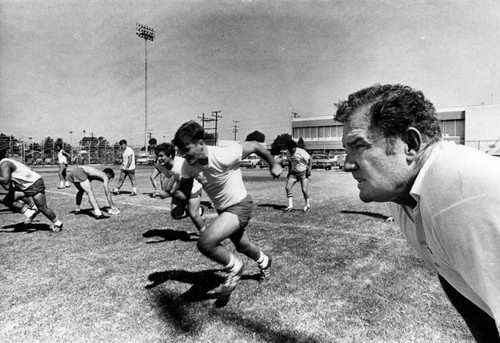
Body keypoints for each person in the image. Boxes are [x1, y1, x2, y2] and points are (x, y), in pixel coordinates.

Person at [335, 84, 500, 342]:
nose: (347, 163)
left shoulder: (458, 193)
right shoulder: (403, 194)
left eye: (359, 145)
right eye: (347, 149)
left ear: (410, 145)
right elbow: (447, 269)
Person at [173, 121, 282, 296]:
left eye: (186, 149)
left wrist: (273, 164)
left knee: (205, 242)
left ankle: (235, 268)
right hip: (224, 211)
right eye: (181, 151)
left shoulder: (223, 155)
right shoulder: (189, 165)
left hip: (240, 206)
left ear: (201, 143)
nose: (184, 155)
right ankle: (265, 262)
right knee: (243, 246)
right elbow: (184, 191)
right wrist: (175, 201)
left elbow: (254, 145)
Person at [0, 149, 63, 232]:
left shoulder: (4, 164)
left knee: (42, 207)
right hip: (25, 186)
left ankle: (58, 223)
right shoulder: (5, 162)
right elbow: (7, 186)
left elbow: (5, 180)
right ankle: (29, 213)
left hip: (34, 183)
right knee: (6, 200)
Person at [153, 142, 205, 234]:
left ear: (170, 155)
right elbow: (170, 176)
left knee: (194, 214)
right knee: (176, 214)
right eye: (157, 156)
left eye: (161, 156)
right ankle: (198, 210)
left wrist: (167, 193)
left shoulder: (180, 166)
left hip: (193, 186)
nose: (158, 158)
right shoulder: (159, 164)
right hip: (182, 185)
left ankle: (205, 234)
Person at [283, 139, 312, 212]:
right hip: (294, 173)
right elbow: (290, 162)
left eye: (291, 149)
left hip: (303, 173)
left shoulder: (301, 152)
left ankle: (307, 205)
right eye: (289, 149)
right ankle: (290, 206)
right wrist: (289, 172)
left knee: (304, 190)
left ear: (295, 147)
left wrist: (309, 170)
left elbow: (310, 159)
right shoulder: (288, 153)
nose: (290, 151)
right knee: (287, 187)